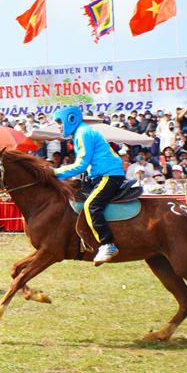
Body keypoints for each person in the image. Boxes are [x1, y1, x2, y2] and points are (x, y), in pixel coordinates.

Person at [52, 105, 127, 266]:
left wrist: (55, 173)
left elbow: (81, 165)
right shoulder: (81, 132)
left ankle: (108, 244)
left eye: (59, 122)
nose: (58, 126)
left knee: (91, 206)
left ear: (70, 119)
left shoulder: (82, 133)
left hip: (109, 175)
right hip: (101, 175)